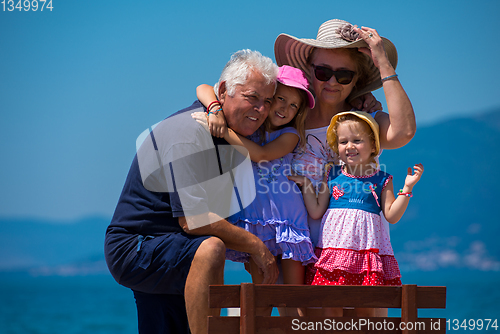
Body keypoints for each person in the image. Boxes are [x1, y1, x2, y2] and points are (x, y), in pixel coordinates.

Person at [104, 49, 280, 334]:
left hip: (176, 243)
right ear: (224, 92)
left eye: (267, 101)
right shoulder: (189, 131)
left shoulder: (232, 132)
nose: (260, 109)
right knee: (212, 248)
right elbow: (194, 219)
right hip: (139, 245)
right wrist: (255, 246)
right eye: (252, 97)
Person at [274, 19, 416, 249]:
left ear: (356, 80)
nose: (331, 81)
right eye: (323, 71)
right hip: (294, 252)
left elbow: (404, 132)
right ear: (309, 71)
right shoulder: (288, 117)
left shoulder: (365, 120)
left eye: (343, 75)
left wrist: (384, 65)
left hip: (357, 257)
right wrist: (214, 109)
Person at [193, 65, 317, 315]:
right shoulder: (250, 128)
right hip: (256, 221)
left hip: (289, 220)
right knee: (261, 297)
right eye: (280, 99)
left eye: (294, 105)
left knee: (293, 299)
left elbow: (260, 155)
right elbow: (203, 88)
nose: (285, 108)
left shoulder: (290, 135)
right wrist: (215, 110)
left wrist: (224, 130)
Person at [289, 111, 424, 317]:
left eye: (357, 140)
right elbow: (316, 211)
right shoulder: (332, 174)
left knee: (365, 310)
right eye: (343, 142)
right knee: (330, 308)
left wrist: (406, 189)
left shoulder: (382, 180)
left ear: (373, 146)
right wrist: (307, 184)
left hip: (365, 259)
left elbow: (392, 215)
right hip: (333, 255)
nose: (349, 146)